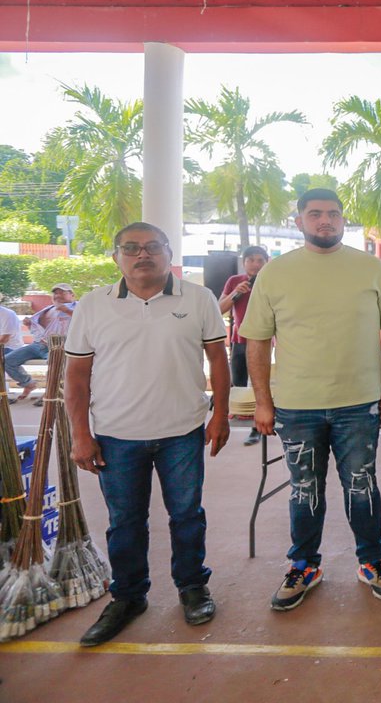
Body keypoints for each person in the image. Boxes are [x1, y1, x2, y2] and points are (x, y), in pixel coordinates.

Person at [66, 222, 230, 647]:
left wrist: (221, 415)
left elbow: (218, 360)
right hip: (116, 436)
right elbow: (77, 378)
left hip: (183, 430)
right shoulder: (92, 305)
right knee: (124, 522)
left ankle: (192, 587)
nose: (143, 255)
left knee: (187, 515)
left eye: (153, 247)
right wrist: (80, 435)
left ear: (169, 252)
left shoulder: (198, 298)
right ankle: (128, 597)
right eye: (132, 248)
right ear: (116, 256)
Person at [240, 188, 381, 612]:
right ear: (298, 221)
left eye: (332, 214)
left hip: (360, 403)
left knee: (361, 485)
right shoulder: (275, 273)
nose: (325, 221)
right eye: (315, 214)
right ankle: (304, 565)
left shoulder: (371, 269)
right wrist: (263, 402)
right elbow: (256, 341)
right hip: (297, 407)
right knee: (304, 490)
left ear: (343, 220)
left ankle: (372, 560)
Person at [218, 245, 269, 446]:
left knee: (259, 385)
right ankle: (240, 418)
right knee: (238, 383)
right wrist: (234, 294)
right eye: (251, 260)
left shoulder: (270, 282)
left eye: (260, 260)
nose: (255, 264)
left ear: (266, 263)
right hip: (239, 340)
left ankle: (258, 429)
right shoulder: (234, 281)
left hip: (263, 341)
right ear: (244, 262)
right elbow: (219, 309)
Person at [6, 282, 76, 402]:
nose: (58, 295)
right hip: (38, 345)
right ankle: (28, 383)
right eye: (55, 293)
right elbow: (41, 330)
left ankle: (50, 393)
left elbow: (86, 321)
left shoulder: (78, 307)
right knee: (7, 360)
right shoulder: (48, 309)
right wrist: (29, 324)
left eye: (62, 292)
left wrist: (67, 311)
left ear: (72, 295)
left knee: (54, 363)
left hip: (58, 347)